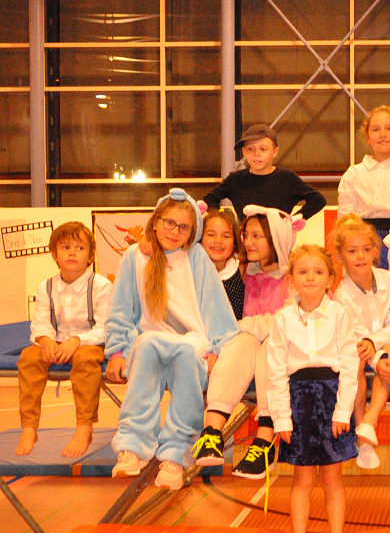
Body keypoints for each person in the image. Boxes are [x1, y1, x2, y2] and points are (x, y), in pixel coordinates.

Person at [105, 189, 238, 490]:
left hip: (192, 340)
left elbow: (216, 309)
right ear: (155, 222)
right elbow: (120, 309)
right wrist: (117, 352)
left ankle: (176, 454)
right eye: (169, 223)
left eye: (184, 227)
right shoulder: (134, 256)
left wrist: (216, 349)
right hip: (149, 338)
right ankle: (133, 446)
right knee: (146, 345)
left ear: (192, 233)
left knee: (187, 354)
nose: (175, 232)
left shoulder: (197, 257)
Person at [191, 206, 303, 479]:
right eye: (246, 235)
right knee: (240, 343)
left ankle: (265, 440)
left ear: (275, 238)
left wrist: (239, 327)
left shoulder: (294, 274)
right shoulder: (244, 271)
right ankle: (212, 431)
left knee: (268, 346)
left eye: (257, 236)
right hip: (250, 346)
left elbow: (282, 321)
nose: (248, 242)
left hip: (288, 350)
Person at [266, 245, 359, 533]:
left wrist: (342, 412)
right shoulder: (283, 319)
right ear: (291, 280)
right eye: (303, 272)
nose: (310, 278)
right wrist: (282, 418)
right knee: (302, 477)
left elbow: (349, 365)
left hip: (331, 399)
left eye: (318, 272)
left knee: (332, 478)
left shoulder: (339, 314)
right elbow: (276, 371)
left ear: (330, 280)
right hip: (299, 401)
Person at [16, 222, 112, 458]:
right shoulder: (46, 286)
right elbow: (40, 322)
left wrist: (77, 340)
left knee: (86, 359)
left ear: (91, 256)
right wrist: (46, 341)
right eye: (66, 247)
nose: (72, 253)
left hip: (89, 342)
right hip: (57, 342)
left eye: (80, 248)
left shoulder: (101, 285)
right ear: (54, 255)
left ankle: (84, 426)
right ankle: (29, 426)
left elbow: (106, 327)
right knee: (29, 357)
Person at [332, 215, 390, 470]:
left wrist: (377, 348)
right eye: (352, 251)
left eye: (366, 249)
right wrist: (375, 357)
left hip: (389, 343)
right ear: (340, 256)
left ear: (375, 251)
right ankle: (362, 436)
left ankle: (369, 422)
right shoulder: (341, 295)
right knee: (355, 362)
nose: (360, 256)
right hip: (359, 351)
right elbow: (356, 337)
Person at [336, 105, 390, 268]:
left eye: (389, 128)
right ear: (367, 137)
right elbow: (345, 220)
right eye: (375, 130)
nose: (383, 134)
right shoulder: (354, 173)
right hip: (364, 241)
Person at [201, 124, 326, 220]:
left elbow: (318, 200)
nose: (256, 154)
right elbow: (209, 199)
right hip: (246, 242)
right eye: (250, 149)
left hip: (278, 241)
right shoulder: (236, 180)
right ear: (244, 152)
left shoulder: (286, 178)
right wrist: (225, 220)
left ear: (275, 151)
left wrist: (295, 219)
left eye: (263, 149)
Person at [199, 208, 245, 320]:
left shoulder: (242, 269)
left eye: (226, 236)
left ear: (235, 243)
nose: (218, 241)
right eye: (211, 235)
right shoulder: (192, 270)